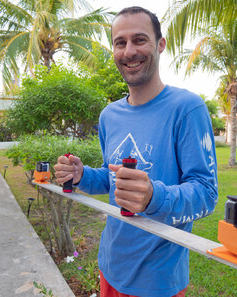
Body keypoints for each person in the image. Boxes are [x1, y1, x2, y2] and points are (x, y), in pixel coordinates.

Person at [54, 6, 218, 297]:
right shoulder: (109, 115)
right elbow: (112, 178)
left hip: (158, 281)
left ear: (160, 44)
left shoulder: (187, 109)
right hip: (110, 265)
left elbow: (206, 194)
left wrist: (154, 196)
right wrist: (82, 176)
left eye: (140, 40)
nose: (129, 51)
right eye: (120, 42)